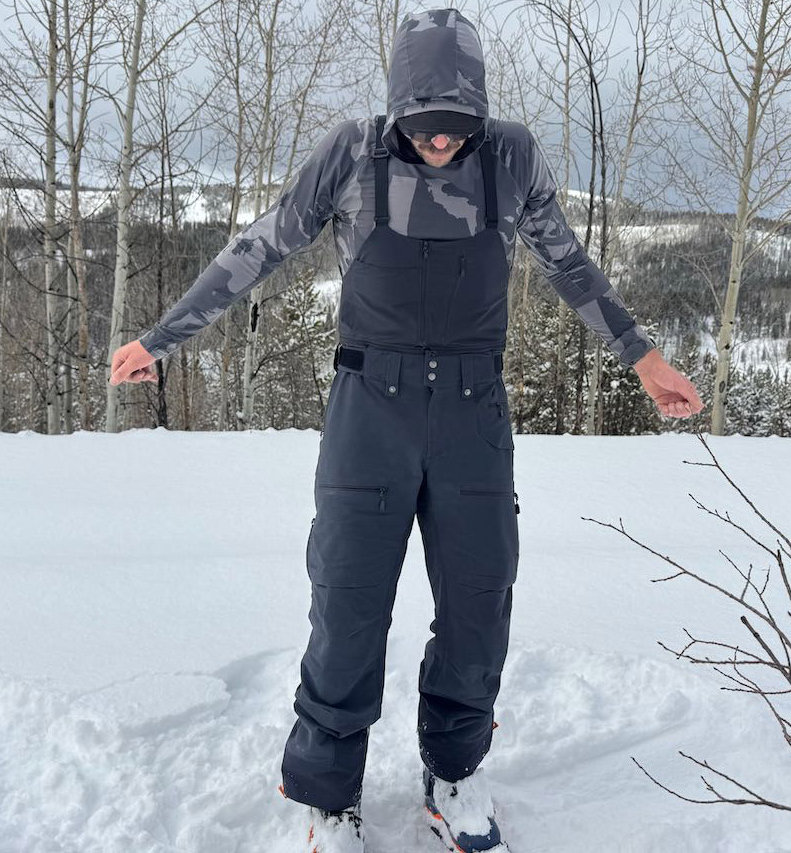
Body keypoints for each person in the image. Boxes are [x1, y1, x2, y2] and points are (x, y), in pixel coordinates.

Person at [111, 8, 703, 851]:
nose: (439, 143)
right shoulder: (352, 154)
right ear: (397, 112)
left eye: (455, 128)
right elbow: (261, 244)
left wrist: (642, 357)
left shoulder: (513, 157)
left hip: (473, 414)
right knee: (347, 603)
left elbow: (569, 262)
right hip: (370, 410)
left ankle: (454, 771)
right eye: (423, 128)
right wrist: (158, 338)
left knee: (478, 601)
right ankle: (328, 796)